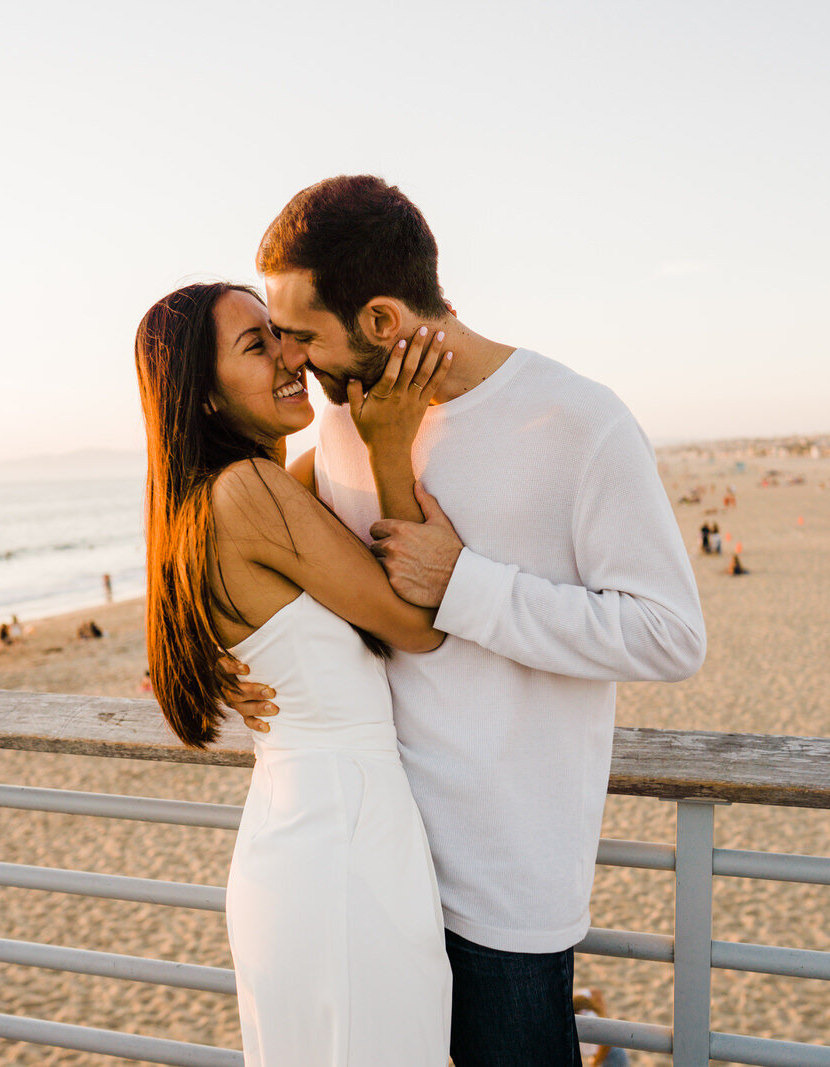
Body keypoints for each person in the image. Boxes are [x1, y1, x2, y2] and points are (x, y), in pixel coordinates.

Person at [233, 175, 705, 1064]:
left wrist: (468, 584)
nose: (292, 359)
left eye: (300, 334)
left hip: (503, 892)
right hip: (374, 868)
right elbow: (271, 550)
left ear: (380, 321)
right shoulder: (343, 422)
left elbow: (670, 633)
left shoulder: (578, 421)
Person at [136, 280, 454, 1064]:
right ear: (204, 399)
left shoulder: (204, 506)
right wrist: (388, 445)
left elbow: (314, 481)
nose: (287, 355)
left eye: (279, 333)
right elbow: (417, 626)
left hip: (301, 834)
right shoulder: (248, 494)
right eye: (257, 345)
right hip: (342, 845)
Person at [573, 987, 628, 1067]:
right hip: (603, 1053)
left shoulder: (589, 1019)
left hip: (610, 1055)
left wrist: (595, 1063)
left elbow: (607, 1044)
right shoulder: (582, 1008)